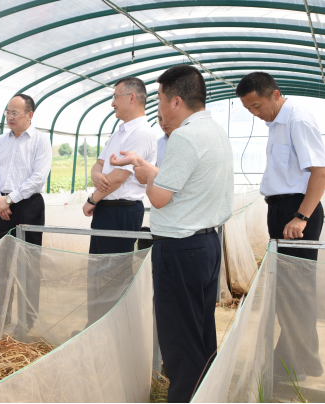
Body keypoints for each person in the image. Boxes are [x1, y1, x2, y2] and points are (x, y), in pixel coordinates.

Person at [111, 64, 234, 402]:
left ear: (176, 101)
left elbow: (160, 197)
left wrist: (146, 178)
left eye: (161, 99)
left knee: (179, 340)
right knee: (200, 333)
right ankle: (204, 394)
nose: (160, 108)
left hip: (180, 250)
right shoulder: (213, 130)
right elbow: (181, 181)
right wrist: (146, 167)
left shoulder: (184, 136)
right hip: (206, 244)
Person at [237, 72, 325, 381]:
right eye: (248, 109)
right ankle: (304, 360)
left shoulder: (297, 119)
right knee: (288, 289)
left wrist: (301, 217)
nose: (254, 113)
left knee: (296, 290)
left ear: (275, 94)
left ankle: (293, 365)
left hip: (296, 211)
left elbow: (320, 172)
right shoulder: (276, 123)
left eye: (257, 106)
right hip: (281, 209)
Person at [81, 77, 157, 326]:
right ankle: (95, 326)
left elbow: (118, 177)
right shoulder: (120, 131)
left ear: (132, 98)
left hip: (122, 210)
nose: (112, 103)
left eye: (115, 97)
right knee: (98, 271)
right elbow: (100, 164)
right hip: (108, 208)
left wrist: (92, 199)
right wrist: (96, 175)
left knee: (114, 275)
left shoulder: (141, 133)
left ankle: (114, 329)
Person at [0, 94, 52, 333]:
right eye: (7, 112)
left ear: (29, 115)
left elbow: (38, 178)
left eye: (15, 113)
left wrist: (9, 200)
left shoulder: (40, 141)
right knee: (1, 263)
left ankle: (26, 319)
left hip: (28, 206)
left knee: (28, 264)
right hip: (1, 205)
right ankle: (0, 314)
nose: (10, 117)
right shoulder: (0, 141)